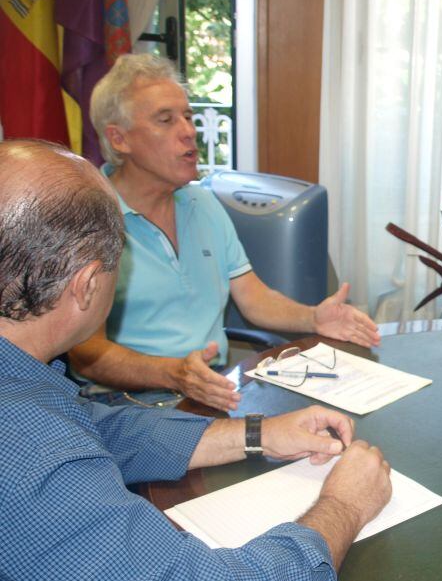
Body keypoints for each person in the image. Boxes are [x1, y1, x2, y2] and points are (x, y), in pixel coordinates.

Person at [0, 140, 392, 581]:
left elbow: (92, 425)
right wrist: (343, 505)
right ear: (84, 286)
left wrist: (258, 434)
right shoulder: (30, 460)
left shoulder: (23, 380)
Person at [67, 53, 381, 413]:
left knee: (325, 427)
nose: (188, 131)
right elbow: (85, 354)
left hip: (211, 389)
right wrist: (174, 373)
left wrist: (312, 318)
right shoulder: (85, 219)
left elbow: (253, 299)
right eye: (165, 120)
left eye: (187, 116)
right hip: (126, 404)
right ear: (119, 139)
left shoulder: (204, 204)